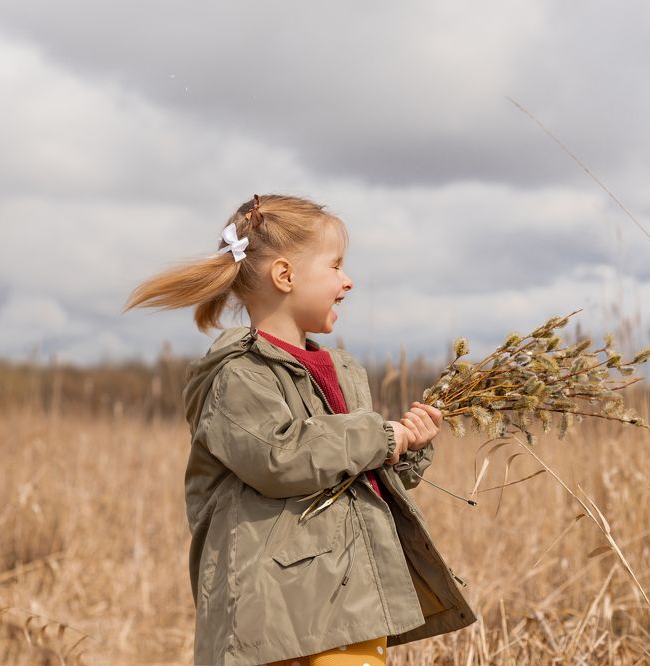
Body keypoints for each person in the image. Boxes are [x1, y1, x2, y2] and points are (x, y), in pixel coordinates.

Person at [124, 194, 476, 665]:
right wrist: (381, 437)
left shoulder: (343, 371)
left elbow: (353, 476)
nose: (348, 280)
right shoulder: (238, 375)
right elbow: (281, 458)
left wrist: (406, 447)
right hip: (277, 618)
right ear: (285, 276)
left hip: (349, 599)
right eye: (336, 266)